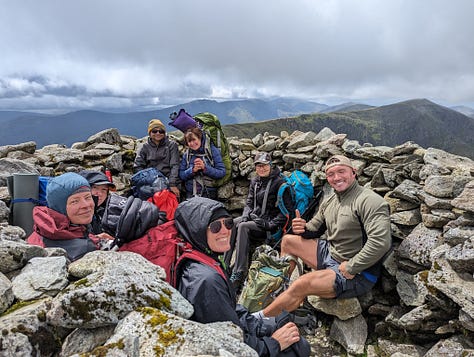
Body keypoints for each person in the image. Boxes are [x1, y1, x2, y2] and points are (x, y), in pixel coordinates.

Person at [253, 155, 392, 319]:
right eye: (331, 174)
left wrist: (352, 266)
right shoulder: (331, 200)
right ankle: (282, 290)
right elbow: (314, 229)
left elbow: (381, 242)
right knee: (288, 241)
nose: (337, 178)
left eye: (342, 172)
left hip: (357, 272)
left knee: (301, 283)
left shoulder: (369, 201)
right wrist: (302, 228)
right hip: (331, 254)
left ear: (354, 173)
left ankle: (259, 320)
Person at [174, 196, 310, 357]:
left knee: (284, 324)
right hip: (229, 347)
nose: (225, 230)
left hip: (232, 334)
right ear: (197, 231)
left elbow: (228, 309)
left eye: (229, 223)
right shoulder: (205, 280)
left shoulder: (203, 260)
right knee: (299, 348)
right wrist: (274, 344)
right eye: (215, 226)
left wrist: (261, 327)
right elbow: (226, 340)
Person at [225, 152, 294, 291]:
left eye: (264, 165)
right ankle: (225, 266)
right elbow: (249, 203)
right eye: (258, 166)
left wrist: (270, 224)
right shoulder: (255, 181)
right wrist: (245, 215)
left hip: (269, 225)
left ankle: (239, 272)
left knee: (243, 226)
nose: (261, 168)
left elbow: (287, 212)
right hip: (256, 218)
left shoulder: (280, 184)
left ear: (270, 165)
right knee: (233, 223)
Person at [27, 172, 113, 261]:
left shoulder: (44, 226)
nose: (86, 205)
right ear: (60, 207)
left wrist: (94, 238)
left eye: (88, 197)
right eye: (75, 201)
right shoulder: (85, 249)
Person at [133, 119, 181, 197]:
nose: (158, 133)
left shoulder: (171, 145)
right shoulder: (144, 147)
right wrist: (148, 181)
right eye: (154, 131)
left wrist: (172, 184)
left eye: (161, 131)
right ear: (150, 133)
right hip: (151, 181)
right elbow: (138, 166)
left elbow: (175, 165)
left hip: (168, 179)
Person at [179, 127, 226, 199]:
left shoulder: (212, 151)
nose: (192, 143)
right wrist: (192, 170)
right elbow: (181, 175)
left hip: (209, 194)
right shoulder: (187, 154)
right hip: (191, 194)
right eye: (189, 141)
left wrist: (204, 168)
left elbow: (221, 172)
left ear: (200, 138)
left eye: (194, 140)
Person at [78, 170, 116, 234]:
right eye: (95, 188)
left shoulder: (105, 211)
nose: (100, 193)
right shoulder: (74, 213)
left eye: (104, 189)